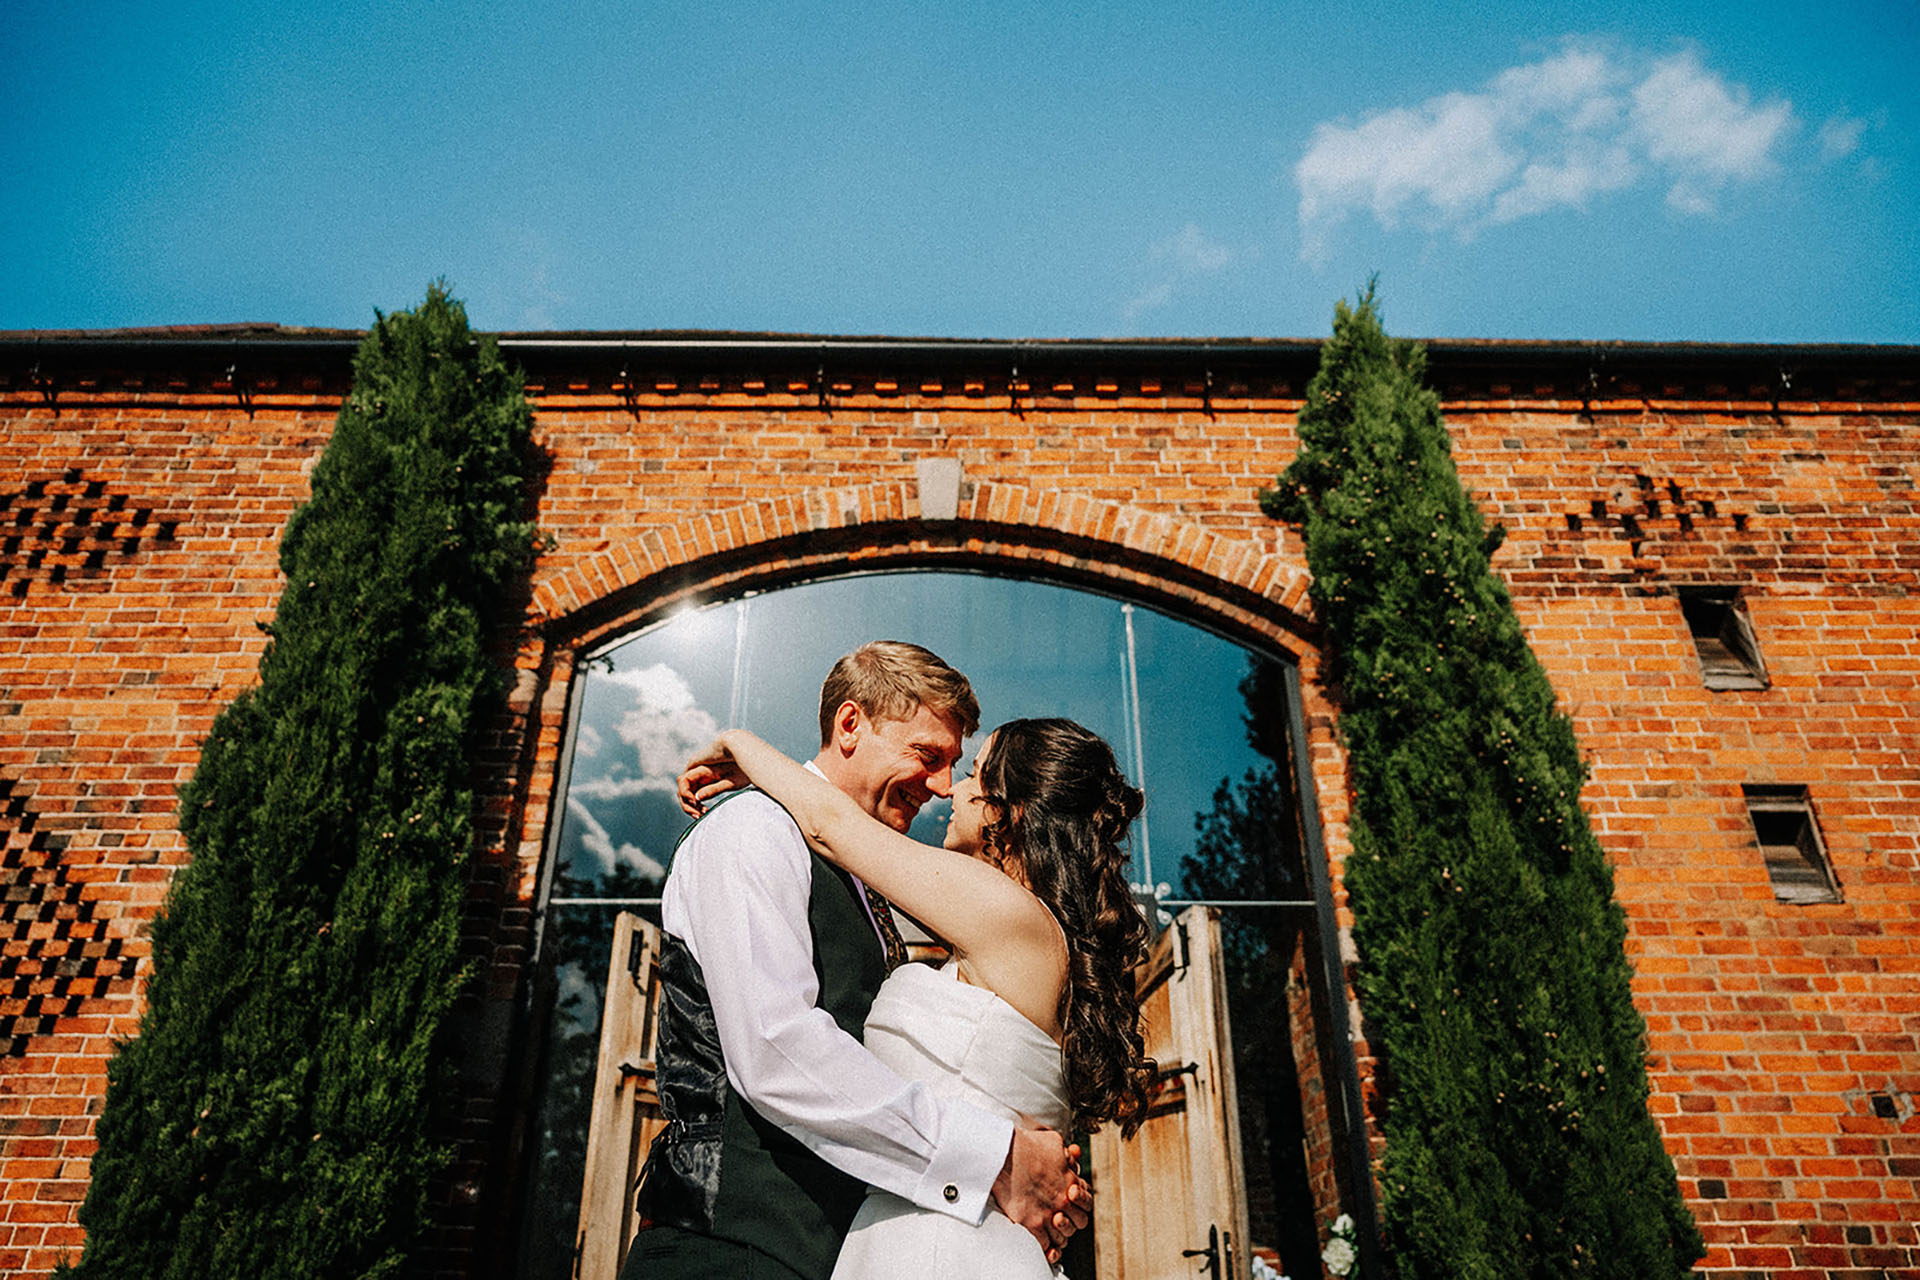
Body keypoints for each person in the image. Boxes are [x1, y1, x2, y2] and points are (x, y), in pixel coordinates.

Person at [623, 642, 1092, 1280]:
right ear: (850, 725)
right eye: (928, 755)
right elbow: (776, 1048)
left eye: (958, 768)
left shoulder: (900, 886)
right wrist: (997, 1160)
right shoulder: (755, 829)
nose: (942, 787)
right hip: (729, 1248)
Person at [678, 714, 1157, 1279]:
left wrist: (740, 742)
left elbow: (832, 824)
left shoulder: (1003, 911)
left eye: (975, 775)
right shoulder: (1030, 935)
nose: (952, 789)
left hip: (941, 1247)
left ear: (1012, 810)